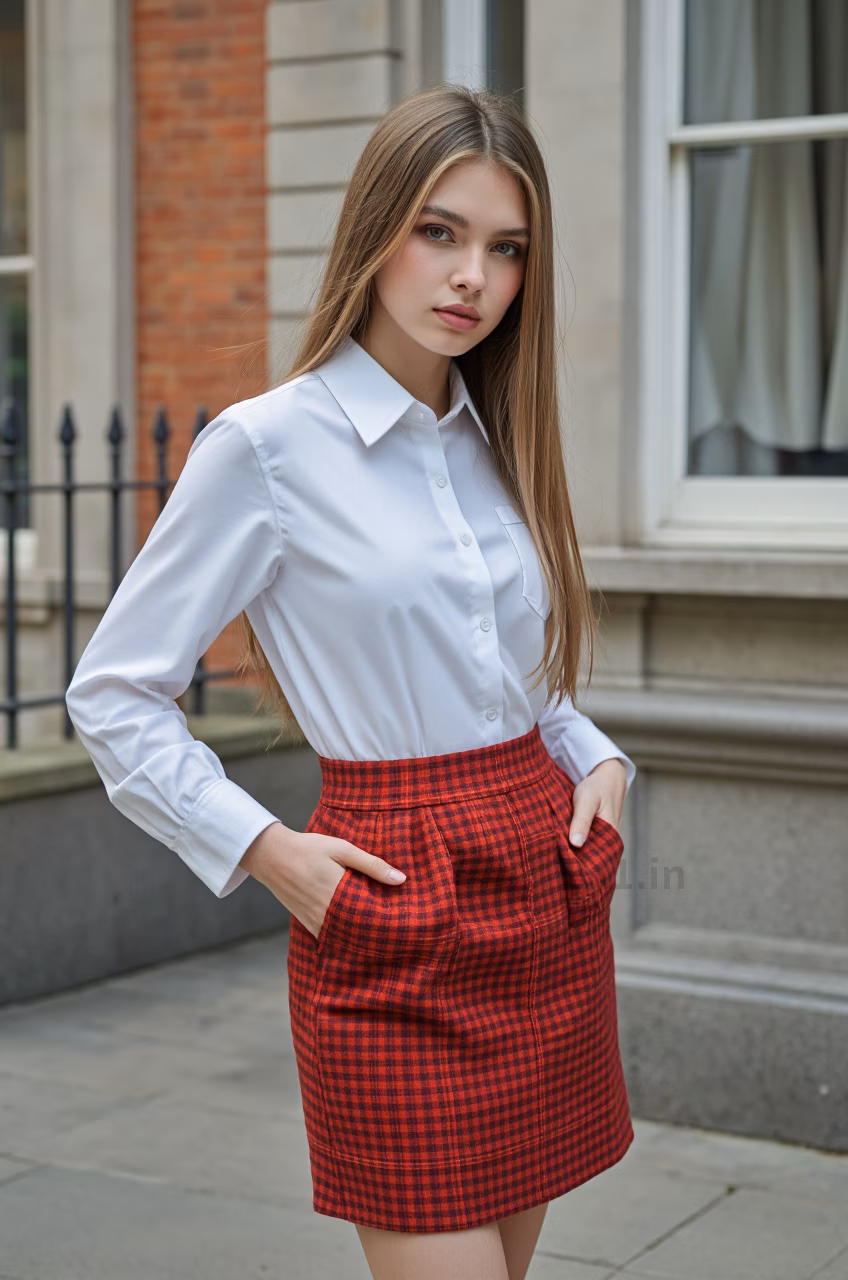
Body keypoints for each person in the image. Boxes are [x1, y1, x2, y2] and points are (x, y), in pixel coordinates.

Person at [66, 83, 637, 1280]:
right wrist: (264, 848)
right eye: (438, 230)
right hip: (394, 902)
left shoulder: (496, 436)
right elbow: (112, 689)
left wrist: (596, 756)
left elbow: (521, 679)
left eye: (504, 247)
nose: (469, 276)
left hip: (540, 894)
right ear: (375, 226)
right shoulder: (267, 446)